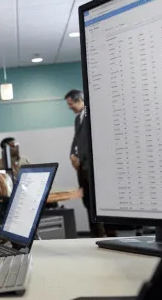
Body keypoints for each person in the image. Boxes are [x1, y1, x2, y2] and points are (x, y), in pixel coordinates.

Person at [65, 89, 115, 238]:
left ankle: (110, 234)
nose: (69, 107)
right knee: (87, 201)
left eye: (71, 104)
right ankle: (97, 235)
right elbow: (76, 139)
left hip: (93, 166)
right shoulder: (77, 119)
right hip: (81, 167)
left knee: (99, 201)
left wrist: (82, 157)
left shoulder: (92, 114)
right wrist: (72, 155)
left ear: (80, 100)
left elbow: (96, 139)